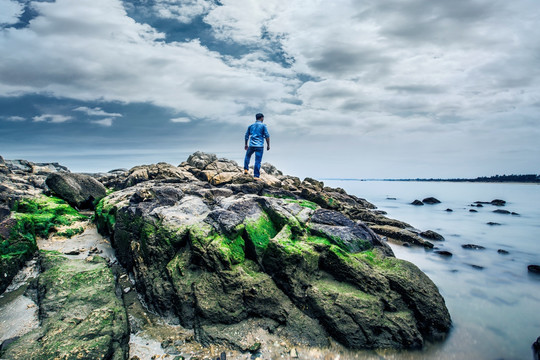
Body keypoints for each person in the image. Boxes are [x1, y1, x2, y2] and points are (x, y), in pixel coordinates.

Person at [244, 113, 270, 179]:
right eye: (263, 118)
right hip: (259, 146)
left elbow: (246, 136)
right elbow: (267, 136)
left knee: (247, 156)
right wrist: (268, 145)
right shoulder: (263, 126)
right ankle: (256, 176)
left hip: (251, 145)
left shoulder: (251, 126)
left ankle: (246, 169)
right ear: (262, 118)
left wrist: (246, 144)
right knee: (257, 161)